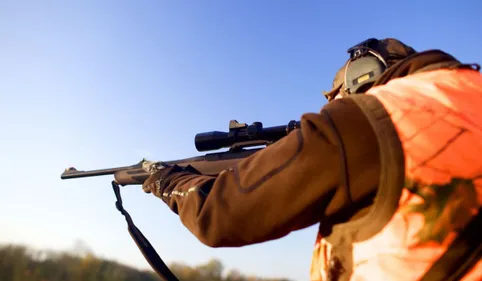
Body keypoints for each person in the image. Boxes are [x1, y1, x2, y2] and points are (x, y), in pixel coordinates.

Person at [141, 38, 482, 281]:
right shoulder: (467, 93)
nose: (332, 107)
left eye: (336, 98)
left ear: (362, 76)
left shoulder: (370, 117)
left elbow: (220, 214)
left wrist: (168, 180)